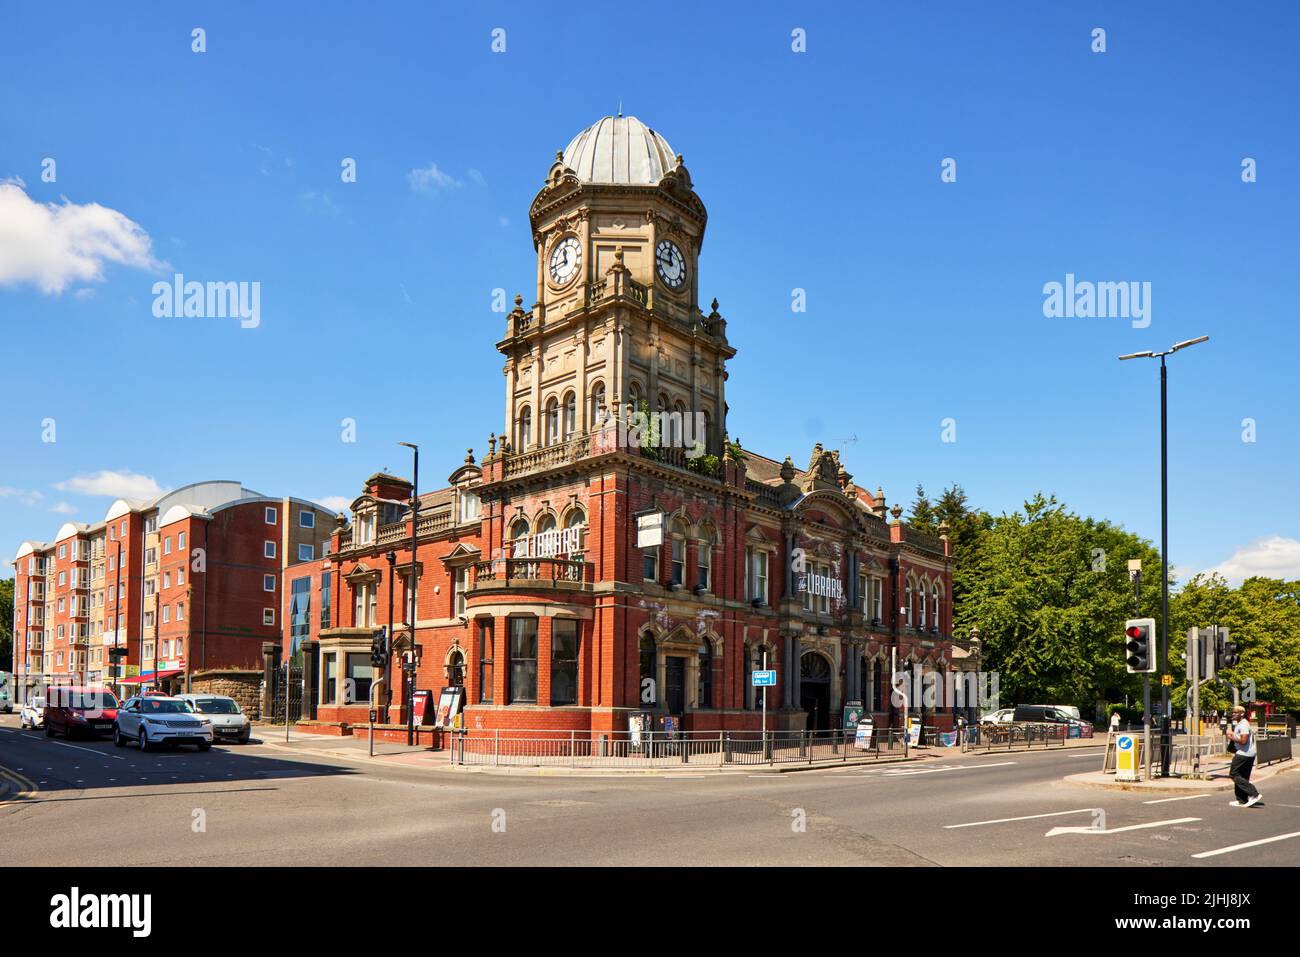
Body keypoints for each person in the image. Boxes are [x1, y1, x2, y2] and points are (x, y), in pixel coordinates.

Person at [1226, 705, 1262, 808]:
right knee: (1242, 776)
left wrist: (1231, 737)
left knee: (1234, 774)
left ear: (1242, 714)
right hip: (1248, 753)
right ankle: (1242, 800)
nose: (1233, 714)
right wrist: (1234, 734)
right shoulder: (1241, 724)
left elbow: (1243, 741)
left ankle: (1254, 794)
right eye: (1232, 712)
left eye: (1236, 712)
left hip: (1244, 754)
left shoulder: (1244, 724)